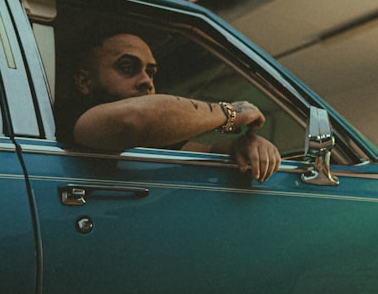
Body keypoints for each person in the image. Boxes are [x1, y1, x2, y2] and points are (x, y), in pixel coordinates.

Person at [57, 32, 281, 182]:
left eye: (151, 72)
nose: (147, 80)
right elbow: (137, 119)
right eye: (127, 67)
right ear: (84, 82)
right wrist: (229, 113)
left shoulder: (154, 134)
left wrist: (243, 146)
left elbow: (205, 153)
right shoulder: (66, 115)